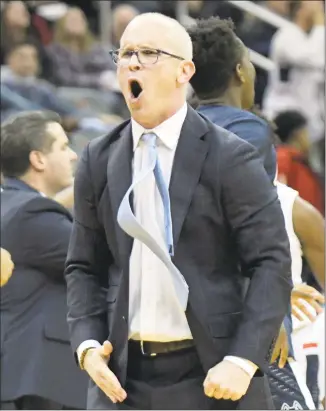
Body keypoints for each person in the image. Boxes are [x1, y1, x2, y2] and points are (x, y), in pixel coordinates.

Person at [65, 12, 292, 410]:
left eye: (149, 53)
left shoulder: (230, 157)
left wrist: (242, 360)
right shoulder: (98, 158)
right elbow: (83, 266)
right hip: (122, 380)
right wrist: (86, 345)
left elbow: (271, 261)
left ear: (184, 71)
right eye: (126, 53)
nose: (133, 62)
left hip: (213, 374)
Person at [187, 16, 320, 410]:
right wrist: (273, 308)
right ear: (242, 72)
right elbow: (250, 231)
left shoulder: (173, 126)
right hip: (237, 312)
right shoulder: (249, 130)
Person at [0, 111, 88, 410]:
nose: (73, 156)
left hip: (25, 377)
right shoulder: (32, 214)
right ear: (38, 159)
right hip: (40, 380)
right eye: (63, 147)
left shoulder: (16, 205)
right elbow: (98, 259)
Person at [188, 17, 277, 183]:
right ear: (240, 71)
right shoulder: (248, 129)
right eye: (248, 61)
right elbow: (244, 203)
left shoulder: (180, 125)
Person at [262, 0, 325, 143]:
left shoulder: (311, 38)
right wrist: (320, 26)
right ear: (300, 9)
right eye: (316, 6)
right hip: (284, 122)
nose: (320, 10)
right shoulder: (286, 36)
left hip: (311, 124)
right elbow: (316, 58)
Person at [273, 110, 324, 215]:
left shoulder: (298, 160)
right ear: (298, 134)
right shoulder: (283, 158)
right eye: (306, 132)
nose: (309, 137)